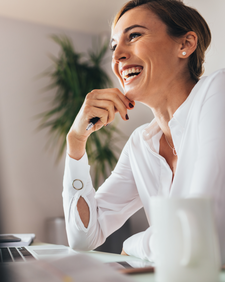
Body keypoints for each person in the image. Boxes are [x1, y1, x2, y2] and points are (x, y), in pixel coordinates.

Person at [62, 0, 225, 263]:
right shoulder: (141, 143)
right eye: (114, 46)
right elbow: (83, 237)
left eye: (134, 35)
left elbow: (205, 236)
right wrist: (76, 142)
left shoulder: (219, 91)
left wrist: (133, 243)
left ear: (185, 45)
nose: (117, 57)